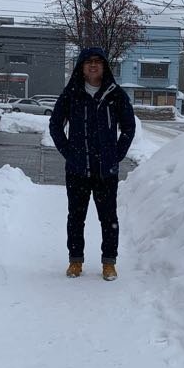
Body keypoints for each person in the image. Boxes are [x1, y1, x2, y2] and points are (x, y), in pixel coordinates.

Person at [49, 46, 136, 280]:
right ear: (81, 67)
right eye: (88, 62)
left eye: (98, 61)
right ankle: (75, 261)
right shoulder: (71, 94)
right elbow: (55, 125)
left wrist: (116, 154)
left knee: (109, 219)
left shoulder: (115, 94)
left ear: (105, 66)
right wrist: (69, 152)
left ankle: (109, 263)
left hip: (105, 172)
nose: (93, 65)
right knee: (76, 218)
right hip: (77, 170)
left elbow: (128, 127)